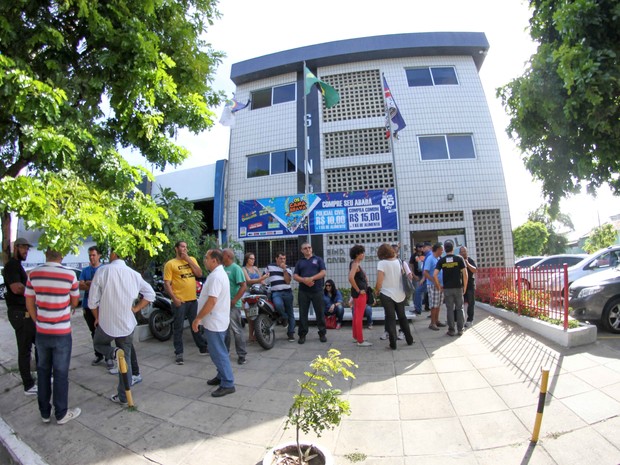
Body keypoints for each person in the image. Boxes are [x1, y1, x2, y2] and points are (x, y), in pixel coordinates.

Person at [89, 249, 155, 407]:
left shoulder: (103, 271)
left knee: (98, 344)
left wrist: (97, 317)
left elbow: (92, 302)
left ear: (113, 255)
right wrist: (136, 309)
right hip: (127, 323)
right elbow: (150, 294)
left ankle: (112, 353)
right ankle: (124, 397)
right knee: (126, 361)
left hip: (106, 323)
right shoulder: (134, 274)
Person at [25, 249, 81, 424]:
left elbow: (29, 303)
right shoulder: (70, 275)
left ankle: (44, 413)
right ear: (61, 256)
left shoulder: (33, 274)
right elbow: (74, 302)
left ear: (46, 255)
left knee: (43, 372)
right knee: (60, 373)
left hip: (42, 332)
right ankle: (61, 413)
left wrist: (38, 321)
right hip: (62, 332)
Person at [192, 249, 235, 397]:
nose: (204, 260)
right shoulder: (217, 274)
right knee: (217, 352)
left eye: (206, 257)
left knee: (219, 353)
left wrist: (198, 319)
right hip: (215, 321)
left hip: (215, 322)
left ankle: (228, 383)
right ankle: (221, 375)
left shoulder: (217, 276)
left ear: (214, 261)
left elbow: (212, 301)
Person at [3, 238, 38, 396]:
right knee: (25, 350)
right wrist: (32, 292)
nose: (26, 251)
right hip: (19, 314)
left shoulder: (18, 266)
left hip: (26, 313)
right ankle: (28, 385)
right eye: (23, 248)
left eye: (27, 249)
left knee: (39, 343)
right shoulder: (11, 265)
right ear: (15, 248)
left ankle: (40, 374)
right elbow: (16, 288)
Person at [163, 241, 208, 365]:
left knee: (196, 325)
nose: (185, 249)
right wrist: (174, 299)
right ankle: (179, 353)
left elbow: (199, 273)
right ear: (176, 248)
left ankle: (203, 347)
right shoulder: (170, 264)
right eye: (182, 246)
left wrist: (188, 259)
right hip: (180, 301)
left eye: (186, 247)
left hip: (192, 300)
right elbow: (167, 284)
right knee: (178, 328)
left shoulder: (191, 259)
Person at [79, 246, 115, 372]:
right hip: (88, 305)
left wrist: (90, 283)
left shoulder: (104, 270)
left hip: (102, 306)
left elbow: (104, 287)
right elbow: (81, 285)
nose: (91, 257)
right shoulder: (85, 270)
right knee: (93, 331)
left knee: (104, 331)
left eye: (93, 255)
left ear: (99, 255)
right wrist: (92, 284)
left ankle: (109, 357)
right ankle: (98, 355)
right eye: (90, 255)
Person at [374, 243, 414, 350]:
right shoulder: (399, 262)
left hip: (386, 294)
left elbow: (379, 282)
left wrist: (376, 291)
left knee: (390, 318)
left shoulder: (382, 263)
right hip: (400, 293)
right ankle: (409, 339)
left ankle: (393, 344)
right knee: (402, 317)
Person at [293, 242, 327, 344]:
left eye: (309, 247)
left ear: (311, 249)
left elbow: (323, 273)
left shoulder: (319, 260)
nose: (308, 249)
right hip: (304, 292)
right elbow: (295, 276)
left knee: (320, 313)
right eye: (305, 248)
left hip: (317, 291)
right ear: (302, 251)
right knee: (303, 314)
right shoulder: (300, 262)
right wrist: (304, 280)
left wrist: (311, 278)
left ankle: (322, 333)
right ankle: (302, 335)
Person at [434, 241, 467, 336]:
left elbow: (434, 274)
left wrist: (438, 286)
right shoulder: (459, 259)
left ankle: (451, 330)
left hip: (447, 288)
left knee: (449, 309)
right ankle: (460, 329)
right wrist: (464, 286)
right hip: (458, 287)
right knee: (460, 308)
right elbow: (465, 274)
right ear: (453, 249)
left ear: (444, 249)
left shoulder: (442, 260)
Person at [222, 249, 248, 365]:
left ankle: (242, 355)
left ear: (227, 256)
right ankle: (225, 353)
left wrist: (234, 300)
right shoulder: (222, 268)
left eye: (222, 255)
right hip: (222, 305)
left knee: (237, 330)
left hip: (233, 306)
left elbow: (243, 286)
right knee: (225, 330)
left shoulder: (235, 268)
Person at [264, 252, 296, 342]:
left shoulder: (288, 268)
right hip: (276, 292)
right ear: (276, 258)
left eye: (284, 259)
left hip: (287, 292)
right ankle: (284, 317)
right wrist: (264, 284)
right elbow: (263, 277)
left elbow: (287, 281)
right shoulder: (269, 267)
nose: (283, 260)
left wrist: (284, 269)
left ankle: (291, 334)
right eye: (281, 258)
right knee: (278, 305)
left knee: (291, 313)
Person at [348, 245, 372, 346]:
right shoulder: (355, 264)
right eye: (362, 252)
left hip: (358, 293)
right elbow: (350, 278)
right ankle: (360, 340)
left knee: (356, 315)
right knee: (359, 316)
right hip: (360, 294)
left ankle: (356, 336)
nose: (363, 254)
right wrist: (358, 290)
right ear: (357, 254)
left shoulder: (354, 263)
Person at [241, 252, 268, 342]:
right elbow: (248, 281)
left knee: (260, 313)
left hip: (258, 292)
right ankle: (250, 335)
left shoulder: (255, 268)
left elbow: (261, 281)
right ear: (246, 259)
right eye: (251, 259)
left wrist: (266, 285)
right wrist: (262, 279)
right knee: (250, 316)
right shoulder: (243, 269)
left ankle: (258, 333)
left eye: (254, 259)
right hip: (248, 293)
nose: (253, 260)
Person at [425, 243, 445, 331]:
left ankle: (437, 320)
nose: (442, 251)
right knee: (434, 304)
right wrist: (434, 281)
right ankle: (432, 323)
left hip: (440, 285)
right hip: (433, 285)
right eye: (441, 249)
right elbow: (425, 272)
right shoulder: (430, 259)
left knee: (439, 304)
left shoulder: (439, 258)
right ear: (437, 250)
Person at [459, 246, 477, 328]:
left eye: (464, 251)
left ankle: (470, 320)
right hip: (460, 286)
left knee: (471, 303)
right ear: (459, 253)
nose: (463, 253)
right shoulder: (458, 261)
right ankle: (458, 319)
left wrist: (467, 264)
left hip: (470, 285)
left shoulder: (470, 260)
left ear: (467, 252)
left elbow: (475, 270)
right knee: (459, 304)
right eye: (462, 251)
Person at [409, 243, 425, 315]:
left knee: (424, 292)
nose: (421, 248)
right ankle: (417, 308)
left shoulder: (425, 255)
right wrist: (413, 275)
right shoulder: (413, 256)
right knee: (416, 292)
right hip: (417, 276)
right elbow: (410, 266)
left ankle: (425, 306)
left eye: (422, 247)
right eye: (419, 247)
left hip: (424, 276)